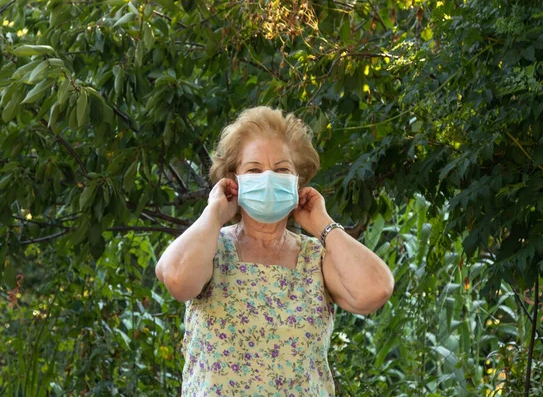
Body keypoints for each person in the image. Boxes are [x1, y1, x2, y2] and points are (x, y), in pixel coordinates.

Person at [155, 106, 395, 396]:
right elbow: (177, 279)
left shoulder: (315, 258)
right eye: (254, 170)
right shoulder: (211, 249)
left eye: (282, 170)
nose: (268, 178)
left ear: (298, 182)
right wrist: (214, 212)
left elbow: (376, 289)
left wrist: (323, 224)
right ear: (234, 181)